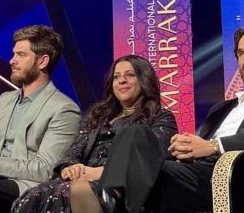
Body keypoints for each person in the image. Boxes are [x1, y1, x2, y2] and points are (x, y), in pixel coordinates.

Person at [11, 54, 178, 213]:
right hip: (83, 176)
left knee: (74, 191)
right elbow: (74, 151)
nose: (122, 81)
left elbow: (154, 155)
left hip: (122, 187)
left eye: (130, 75)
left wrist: (100, 173)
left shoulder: (160, 116)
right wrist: (70, 168)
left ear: (144, 79)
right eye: (116, 77)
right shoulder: (98, 115)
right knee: (34, 195)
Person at [0, 25, 81, 213]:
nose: (12, 61)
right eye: (14, 54)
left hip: (24, 187)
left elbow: (44, 169)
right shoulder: (6, 99)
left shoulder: (64, 109)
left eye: (21, 55)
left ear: (43, 61)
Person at [156, 23, 244, 212]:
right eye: (240, 52)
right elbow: (200, 147)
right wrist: (187, 148)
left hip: (240, 177)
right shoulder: (222, 108)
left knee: (157, 172)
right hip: (198, 171)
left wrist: (214, 146)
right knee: (141, 143)